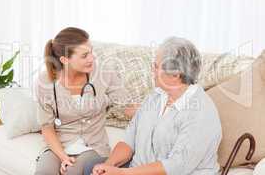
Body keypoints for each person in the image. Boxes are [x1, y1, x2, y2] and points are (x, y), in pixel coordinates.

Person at [85, 37, 222, 175]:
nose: (152, 70)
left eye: (156, 66)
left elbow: (176, 166)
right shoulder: (156, 96)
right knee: (91, 167)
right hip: (138, 170)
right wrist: (108, 165)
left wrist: (122, 173)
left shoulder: (200, 113)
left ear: (175, 75)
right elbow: (128, 140)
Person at [34, 27, 131, 175]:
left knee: (72, 172)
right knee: (44, 171)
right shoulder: (45, 82)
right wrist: (63, 156)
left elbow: (127, 105)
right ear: (65, 60)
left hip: (93, 145)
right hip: (60, 144)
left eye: (91, 52)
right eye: (85, 55)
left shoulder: (104, 73)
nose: (92, 58)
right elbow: (47, 127)